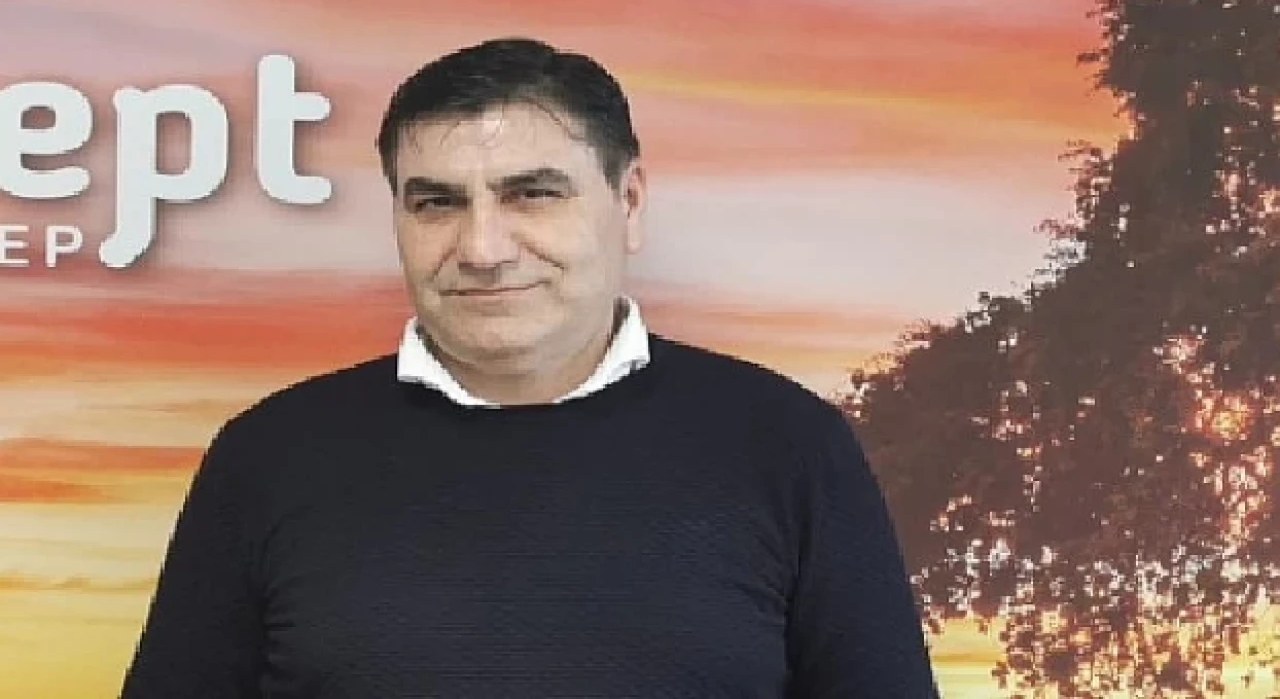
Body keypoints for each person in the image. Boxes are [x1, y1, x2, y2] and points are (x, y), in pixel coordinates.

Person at [119, 36, 940, 698]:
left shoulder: (788, 445)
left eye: (532, 194)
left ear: (629, 202)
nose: (482, 248)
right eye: (436, 202)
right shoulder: (268, 457)